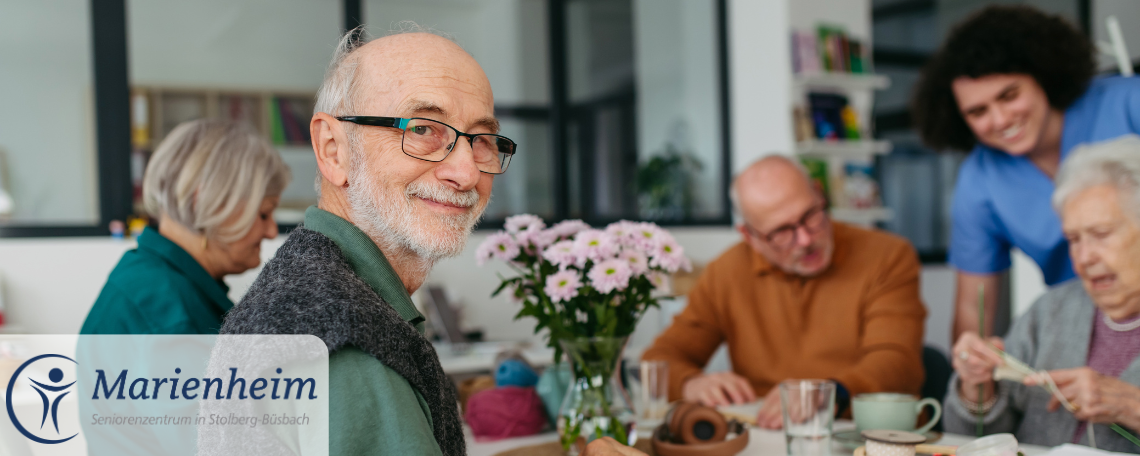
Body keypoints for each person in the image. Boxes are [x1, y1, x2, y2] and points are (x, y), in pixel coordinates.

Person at [211, 28, 646, 456]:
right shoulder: (345, 337)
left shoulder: (316, 292)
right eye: (422, 129)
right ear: (332, 149)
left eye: (482, 139)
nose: (467, 173)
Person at [641, 155, 927, 429]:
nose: (804, 239)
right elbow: (659, 359)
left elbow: (897, 364)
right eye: (781, 232)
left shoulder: (888, 256)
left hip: (869, 436)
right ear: (749, 236)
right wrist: (691, 383)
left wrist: (829, 394)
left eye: (810, 215)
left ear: (818, 193)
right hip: (769, 437)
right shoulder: (726, 272)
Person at [912, 5, 1140, 342]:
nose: (1001, 120)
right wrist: (972, 369)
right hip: (1085, 331)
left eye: (1009, 95)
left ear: (1043, 76)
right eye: (978, 112)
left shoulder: (1129, 103)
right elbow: (975, 310)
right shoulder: (980, 180)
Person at [947, 136, 1140, 452]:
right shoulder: (1050, 311)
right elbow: (967, 438)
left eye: (1101, 234)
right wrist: (978, 388)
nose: (1084, 256)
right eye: (1074, 239)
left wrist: (1132, 407)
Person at [80, 119, 290, 335]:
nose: (272, 231)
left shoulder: (142, 272)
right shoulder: (176, 322)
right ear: (209, 205)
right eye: (264, 214)